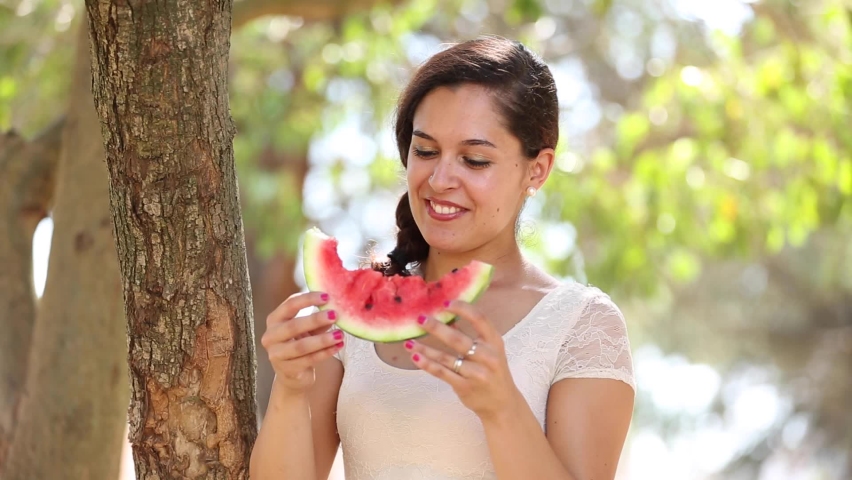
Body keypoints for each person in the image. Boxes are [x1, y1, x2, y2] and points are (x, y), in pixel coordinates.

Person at [250, 35, 636, 480]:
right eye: (426, 151)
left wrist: (501, 409)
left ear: (537, 169)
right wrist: (291, 391)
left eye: (474, 160)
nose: (440, 178)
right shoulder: (344, 320)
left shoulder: (581, 324)